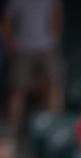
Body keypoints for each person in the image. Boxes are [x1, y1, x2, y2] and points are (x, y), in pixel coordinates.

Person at [3, 0, 64, 133]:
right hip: (22, 48)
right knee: (17, 89)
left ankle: (55, 127)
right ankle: (13, 129)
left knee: (54, 84)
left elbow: (57, 15)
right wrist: (10, 44)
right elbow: (8, 22)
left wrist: (54, 39)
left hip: (46, 47)